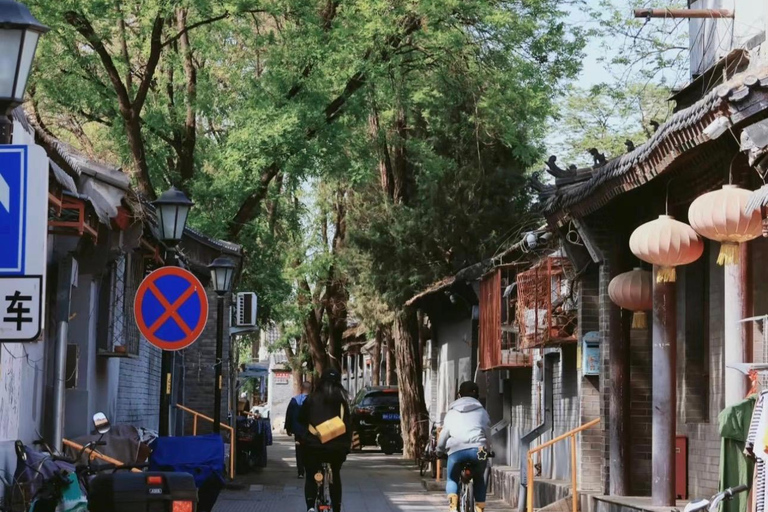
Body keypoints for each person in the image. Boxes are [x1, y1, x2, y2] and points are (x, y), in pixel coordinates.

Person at [298, 369, 351, 512]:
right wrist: (346, 446)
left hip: (314, 446)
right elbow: (348, 425)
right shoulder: (342, 402)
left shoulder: (311, 399)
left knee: (311, 475)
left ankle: (310, 507)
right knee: (335, 473)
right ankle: (337, 508)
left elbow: (301, 419)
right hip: (337, 448)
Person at [437, 381, 493, 512]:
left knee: (452, 478)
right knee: (479, 478)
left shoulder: (452, 413)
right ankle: (480, 509)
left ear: (459, 395)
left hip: (456, 450)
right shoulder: (482, 412)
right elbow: (487, 432)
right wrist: (489, 449)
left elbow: (444, 434)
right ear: (477, 395)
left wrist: (439, 450)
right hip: (479, 450)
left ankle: (453, 507)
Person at [286, 381, 312, 478]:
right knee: (310, 450)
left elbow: (289, 415)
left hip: (298, 431)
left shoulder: (294, 400)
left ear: (301, 388)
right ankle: (309, 469)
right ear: (310, 389)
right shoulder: (313, 401)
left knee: (299, 451)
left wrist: (288, 428)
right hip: (310, 431)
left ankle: (300, 472)